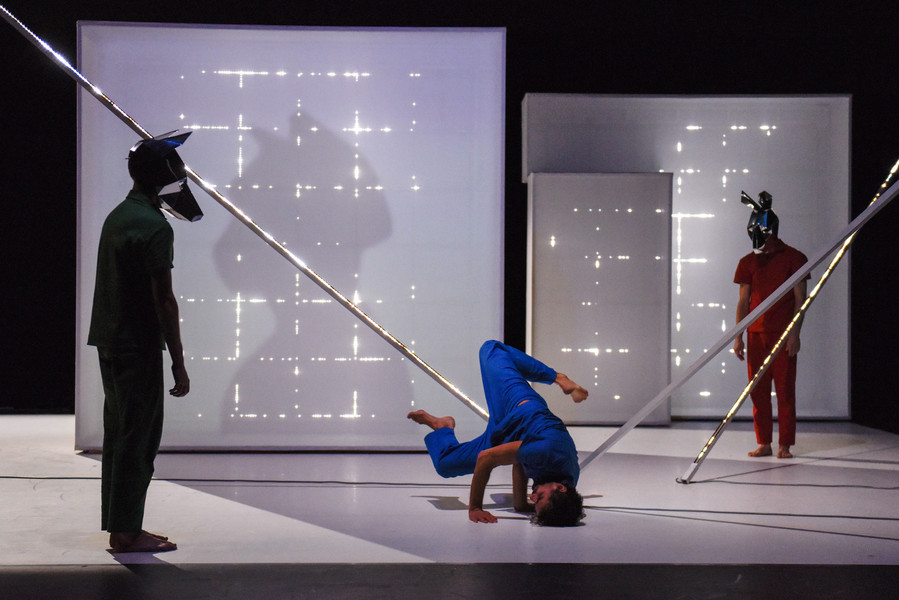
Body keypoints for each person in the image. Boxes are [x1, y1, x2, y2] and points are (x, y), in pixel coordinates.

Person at [87, 131, 200, 553]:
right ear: (161, 174)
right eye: (175, 169)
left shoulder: (119, 215)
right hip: (137, 346)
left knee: (120, 436)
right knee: (138, 441)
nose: (180, 175)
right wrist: (179, 362)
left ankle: (121, 525)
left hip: (110, 340)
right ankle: (126, 532)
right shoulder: (155, 226)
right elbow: (163, 300)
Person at [408, 340, 587, 526]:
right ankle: (557, 377)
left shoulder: (564, 485)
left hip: (505, 435)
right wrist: (475, 508)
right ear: (560, 488)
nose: (533, 497)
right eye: (540, 497)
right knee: (491, 349)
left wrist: (520, 505)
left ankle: (443, 427)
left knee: (445, 465)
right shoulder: (548, 452)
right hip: (517, 406)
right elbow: (486, 458)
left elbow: (521, 462)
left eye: (535, 502)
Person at [733, 191, 809, 460]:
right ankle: (764, 442)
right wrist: (738, 336)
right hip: (756, 335)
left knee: (785, 391)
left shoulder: (795, 258)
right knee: (758, 391)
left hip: (783, 334)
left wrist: (795, 334)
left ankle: (785, 444)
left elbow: (801, 300)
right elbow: (744, 301)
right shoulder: (748, 262)